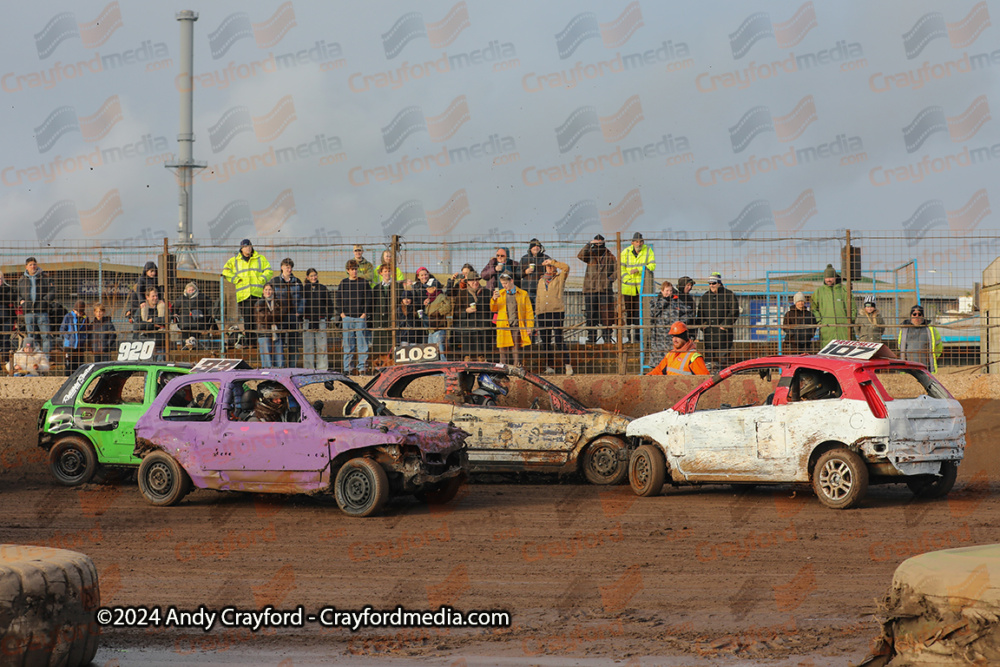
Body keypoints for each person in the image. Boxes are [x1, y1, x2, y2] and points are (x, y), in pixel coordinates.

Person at [221, 239, 273, 340]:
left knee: (258, 318)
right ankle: (250, 341)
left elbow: (268, 270)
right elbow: (226, 271)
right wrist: (236, 279)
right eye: (245, 247)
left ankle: (257, 340)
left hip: (256, 293)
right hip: (243, 294)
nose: (248, 248)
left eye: (249, 246)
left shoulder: (259, 258)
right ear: (241, 248)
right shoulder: (235, 260)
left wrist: (261, 279)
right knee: (247, 319)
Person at [534, 259, 573, 375]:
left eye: (551, 266)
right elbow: (538, 298)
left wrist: (554, 262)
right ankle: (549, 366)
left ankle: (567, 365)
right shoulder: (541, 281)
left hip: (556, 312)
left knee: (558, 339)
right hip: (542, 313)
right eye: (548, 266)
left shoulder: (560, 278)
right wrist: (538, 311)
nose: (550, 268)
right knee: (545, 340)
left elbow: (566, 267)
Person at [696, 272, 739, 371]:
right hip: (709, 335)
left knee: (723, 360)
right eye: (710, 283)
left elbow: (734, 311)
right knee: (709, 361)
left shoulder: (728, 295)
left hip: (724, 335)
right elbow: (700, 313)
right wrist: (703, 326)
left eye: (714, 283)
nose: (711, 286)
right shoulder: (705, 297)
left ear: (719, 283)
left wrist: (725, 325)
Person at [578, 234, 617, 344]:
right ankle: (591, 337)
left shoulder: (610, 256)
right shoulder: (590, 254)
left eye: (600, 242)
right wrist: (588, 244)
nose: (598, 244)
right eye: (596, 242)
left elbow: (617, 269)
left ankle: (607, 337)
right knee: (591, 315)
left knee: (606, 315)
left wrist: (609, 279)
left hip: (605, 290)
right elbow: (580, 256)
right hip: (590, 289)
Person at [490, 272, 533, 367]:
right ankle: (502, 368)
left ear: (511, 281)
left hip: (516, 325)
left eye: (505, 283)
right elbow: (493, 309)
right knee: (502, 349)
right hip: (503, 325)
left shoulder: (523, 294)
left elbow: (529, 312)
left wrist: (529, 326)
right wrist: (494, 299)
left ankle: (517, 367)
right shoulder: (500, 294)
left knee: (516, 348)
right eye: (502, 283)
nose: (503, 285)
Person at [619, 232, 655, 343]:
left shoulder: (648, 251)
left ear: (643, 242)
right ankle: (630, 337)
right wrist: (627, 279)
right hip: (628, 288)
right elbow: (621, 269)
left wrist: (639, 270)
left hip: (642, 288)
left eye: (640, 241)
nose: (638, 243)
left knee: (640, 313)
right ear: (632, 242)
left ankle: (639, 338)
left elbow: (652, 265)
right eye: (636, 241)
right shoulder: (625, 252)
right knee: (629, 313)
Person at [337, 259, 372, 374]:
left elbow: (368, 299)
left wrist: (364, 314)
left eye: (356, 269)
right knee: (348, 345)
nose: (354, 272)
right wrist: (342, 314)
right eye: (352, 269)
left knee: (362, 344)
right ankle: (348, 368)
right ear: (348, 270)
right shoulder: (343, 283)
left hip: (359, 318)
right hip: (347, 318)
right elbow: (338, 299)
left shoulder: (363, 283)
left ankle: (362, 368)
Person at [17, 257, 55, 353]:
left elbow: (52, 291)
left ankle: (46, 357)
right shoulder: (21, 280)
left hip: (42, 311)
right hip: (28, 312)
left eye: (34, 264)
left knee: (45, 335)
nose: (33, 266)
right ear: (26, 267)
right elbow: (17, 294)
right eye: (30, 265)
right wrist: (21, 301)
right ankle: (32, 358)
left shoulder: (45, 278)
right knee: (31, 337)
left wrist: (45, 301)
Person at [269, 258, 304, 365]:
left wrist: (299, 312)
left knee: (293, 343)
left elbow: (302, 299)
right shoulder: (274, 281)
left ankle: (293, 366)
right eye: (287, 267)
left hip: (293, 316)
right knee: (279, 343)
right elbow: (270, 298)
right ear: (282, 268)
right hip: (280, 317)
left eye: (290, 267)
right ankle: (281, 366)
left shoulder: (297, 282)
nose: (289, 270)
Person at [450, 269, 490, 360]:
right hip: (467, 330)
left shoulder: (486, 293)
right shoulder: (462, 294)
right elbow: (456, 312)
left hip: (483, 329)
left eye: (476, 280)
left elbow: (491, 310)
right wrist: (465, 311)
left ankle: (483, 373)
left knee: (482, 357)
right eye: (472, 280)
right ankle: (467, 373)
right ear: (468, 282)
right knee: (468, 357)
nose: (475, 282)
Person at [812, 264, 855, 346]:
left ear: (835, 277)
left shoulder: (844, 290)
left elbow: (853, 307)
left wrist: (849, 321)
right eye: (827, 278)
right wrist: (820, 321)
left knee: (846, 351)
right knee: (827, 354)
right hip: (827, 329)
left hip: (844, 329)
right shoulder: (819, 292)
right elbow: (814, 308)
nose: (829, 280)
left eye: (831, 277)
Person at [301, 268, 333, 370]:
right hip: (307, 321)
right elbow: (300, 305)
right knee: (308, 346)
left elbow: (330, 305)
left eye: (315, 275)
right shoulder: (304, 289)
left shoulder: (323, 288)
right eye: (311, 276)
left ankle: (322, 368)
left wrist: (328, 318)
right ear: (307, 277)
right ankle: (308, 368)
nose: (313, 277)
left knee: (322, 346)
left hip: (321, 320)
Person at [649, 281, 694, 352]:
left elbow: (689, 312)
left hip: (672, 337)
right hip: (659, 338)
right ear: (662, 291)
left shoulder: (676, 302)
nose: (669, 293)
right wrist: (665, 301)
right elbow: (653, 313)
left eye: (670, 291)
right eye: (667, 290)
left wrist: (680, 322)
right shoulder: (655, 302)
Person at [897, 304, 943, 372]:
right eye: (914, 314)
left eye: (919, 314)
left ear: (923, 316)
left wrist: (935, 357)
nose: (917, 316)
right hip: (908, 366)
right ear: (911, 316)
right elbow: (900, 345)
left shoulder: (930, 329)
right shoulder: (904, 329)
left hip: (926, 366)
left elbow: (939, 345)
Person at [255, 283, 285, 368]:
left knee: (279, 353)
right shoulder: (259, 303)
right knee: (266, 354)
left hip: (276, 331)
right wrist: (274, 316)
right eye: (266, 290)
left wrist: (272, 315)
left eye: (270, 289)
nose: (268, 292)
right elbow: (263, 318)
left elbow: (281, 315)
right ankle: (267, 371)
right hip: (263, 331)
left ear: (273, 291)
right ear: (263, 291)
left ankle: (280, 370)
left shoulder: (278, 302)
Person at [424, 278, 452, 360]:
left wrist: (438, 312)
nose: (427, 289)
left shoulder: (441, 296)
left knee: (440, 351)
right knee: (432, 353)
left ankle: (444, 371)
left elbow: (448, 306)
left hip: (439, 328)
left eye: (429, 287)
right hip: (431, 329)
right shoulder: (430, 298)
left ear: (434, 288)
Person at [124, 261, 158, 327]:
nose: (153, 273)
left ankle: (161, 325)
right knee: (144, 308)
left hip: (153, 300)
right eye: (151, 271)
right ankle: (145, 325)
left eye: (154, 271)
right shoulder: (141, 280)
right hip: (145, 301)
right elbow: (139, 292)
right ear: (146, 271)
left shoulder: (156, 279)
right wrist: (142, 301)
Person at [137, 287, 168, 359]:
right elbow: (137, 325)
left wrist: (152, 320)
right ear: (147, 297)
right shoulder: (142, 309)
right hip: (146, 343)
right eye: (153, 296)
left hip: (160, 343)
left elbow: (166, 320)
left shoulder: (162, 307)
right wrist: (154, 325)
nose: (155, 298)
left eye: (156, 296)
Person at [518, 239, 550, 303]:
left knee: (539, 311)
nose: (536, 248)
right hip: (525, 291)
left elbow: (551, 272)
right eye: (534, 246)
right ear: (530, 248)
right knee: (527, 311)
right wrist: (525, 272)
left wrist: (544, 277)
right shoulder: (524, 258)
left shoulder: (545, 258)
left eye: (538, 246)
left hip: (540, 291)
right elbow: (517, 273)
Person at [60, 300, 88, 373]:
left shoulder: (85, 318)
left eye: (81, 312)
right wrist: (68, 337)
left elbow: (86, 330)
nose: (79, 313)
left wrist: (84, 339)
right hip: (69, 346)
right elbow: (62, 329)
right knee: (69, 366)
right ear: (74, 310)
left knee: (80, 365)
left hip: (80, 346)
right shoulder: (68, 317)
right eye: (78, 311)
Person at [0, 272, 18, 361]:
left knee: (5, 340)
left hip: (7, 319)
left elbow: (11, 298)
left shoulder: (8, 288)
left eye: (0, 278)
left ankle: (5, 359)